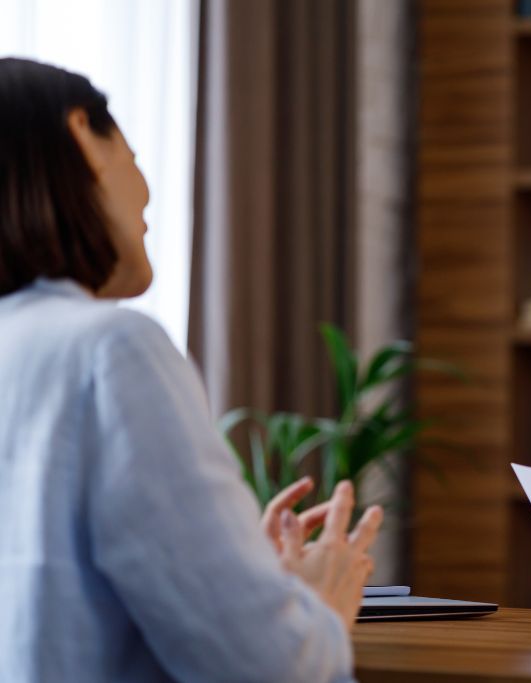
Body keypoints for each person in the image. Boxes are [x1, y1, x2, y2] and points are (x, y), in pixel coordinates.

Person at [0, 57, 381, 680]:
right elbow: (267, 667)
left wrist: (233, 568)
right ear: (81, 136)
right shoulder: (112, 349)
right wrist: (321, 600)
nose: (146, 191)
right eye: (132, 152)